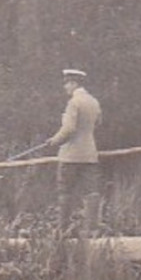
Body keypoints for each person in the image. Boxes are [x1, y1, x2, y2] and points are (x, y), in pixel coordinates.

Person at [44, 68, 102, 234]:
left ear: (74, 83)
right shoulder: (93, 101)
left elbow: (69, 129)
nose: (65, 87)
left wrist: (54, 140)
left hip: (70, 155)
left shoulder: (74, 103)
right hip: (90, 154)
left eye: (67, 84)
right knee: (91, 191)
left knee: (65, 192)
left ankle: (62, 229)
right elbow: (98, 123)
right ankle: (92, 230)